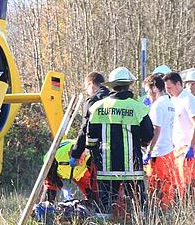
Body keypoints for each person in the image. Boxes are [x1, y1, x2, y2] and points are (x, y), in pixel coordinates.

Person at [82, 67, 153, 217]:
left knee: (105, 203)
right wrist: (140, 143)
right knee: (138, 202)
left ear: (111, 86)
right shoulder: (138, 107)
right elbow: (148, 135)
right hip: (131, 166)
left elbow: (90, 138)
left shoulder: (97, 107)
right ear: (128, 85)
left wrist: (96, 153)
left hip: (106, 166)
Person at [68, 71, 111, 207]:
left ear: (91, 84)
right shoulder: (114, 98)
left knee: (97, 185)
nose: (87, 91)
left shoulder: (93, 101)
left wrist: (75, 153)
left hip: (99, 150)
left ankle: (101, 213)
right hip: (119, 150)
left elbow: (85, 129)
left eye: (87, 87)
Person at [164, 70, 195, 205]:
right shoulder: (173, 100)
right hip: (177, 147)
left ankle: (194, 207)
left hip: (189, 147)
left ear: (178, 84)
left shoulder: (189, 100)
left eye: (170, 87)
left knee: (188, 181)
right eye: (166, 88)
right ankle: (183, 207)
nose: (168, 91)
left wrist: (191, 147)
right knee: (179, 181)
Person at [143, 74, 180, 209]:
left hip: (158, 153)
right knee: (167, 186)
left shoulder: (158, 105)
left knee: (155, 185)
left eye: (147, 91)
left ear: (154, 88)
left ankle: (157, 212)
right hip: (168, 150)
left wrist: (149, 151)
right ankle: (166, 211)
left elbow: (156, 130)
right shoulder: (169, 103)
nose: (147, 95)